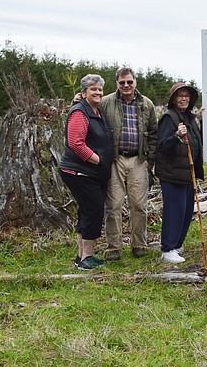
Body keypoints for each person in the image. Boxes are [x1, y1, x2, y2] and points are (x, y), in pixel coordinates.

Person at [99, 67, 158, 261]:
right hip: (115, 160)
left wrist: (150, 160)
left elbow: (153, 133)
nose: (126, 85)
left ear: (135, 83)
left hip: (139, 160)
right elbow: (90, 116)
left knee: (139, 205)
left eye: (129, 82)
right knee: (113, 205)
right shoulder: (106, 102)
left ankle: (139, 244)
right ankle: (113, 247)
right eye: (122, 82)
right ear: (116, 83)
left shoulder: (146, 104)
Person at [59, 74, 114, 270]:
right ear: (84, 93)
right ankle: (87, 257)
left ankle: (82, 256)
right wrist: (99, 160)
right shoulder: (79, 112)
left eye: (100, 89)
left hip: (90, 173)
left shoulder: (96, 111)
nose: (98, 92)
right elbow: (76, 143)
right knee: (93, 210)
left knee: (86, 211)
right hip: (80, 172)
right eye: (93, 89)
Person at [155, 82, 203, 264]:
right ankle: (167, 248)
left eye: (187, 96)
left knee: (185, 211)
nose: (184, 98)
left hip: (188, 174)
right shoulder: (169, 118)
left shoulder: (190, 118)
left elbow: (199, 141)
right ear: (173, 99)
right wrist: (176, 135)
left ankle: (177, 245)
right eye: (180, 95)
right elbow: (162, 145)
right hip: (173, 174)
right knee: (174, 210)